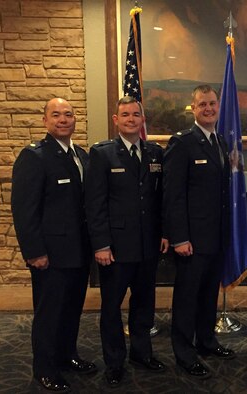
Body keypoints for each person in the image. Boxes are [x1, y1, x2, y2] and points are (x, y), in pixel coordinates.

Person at [11, 98, 96, 392]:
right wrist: (34, 253)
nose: (63, 119)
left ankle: (67, 355)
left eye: (68, 114)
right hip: (50, 256)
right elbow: (24, 210)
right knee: (49, 313)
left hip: (79, 253)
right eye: (56, 115)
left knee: (72, 310)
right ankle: (44, 369)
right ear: (45, 120)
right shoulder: (34, 157)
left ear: (75, 120)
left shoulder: (82, 156)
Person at [85, 96, 168, 387]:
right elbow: (95, 203)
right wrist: (101, 244)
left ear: (143, 120)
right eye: (125, 114)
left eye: (136, 114)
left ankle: (141, 353)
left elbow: (160, 200)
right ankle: (115, 362)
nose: (131, 119)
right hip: (116, 249)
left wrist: (165, 233)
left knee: (144, 304)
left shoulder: (155, 153)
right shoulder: (102, 153)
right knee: (111, 308)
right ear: (115, 120)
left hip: (147, 245)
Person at [163, 85, 234, 379]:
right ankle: (184, 352)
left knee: (207, 296)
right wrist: (179, 237)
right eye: (202, 104)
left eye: (212, 103)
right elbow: (173, 194)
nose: (208, 108)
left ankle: (206, 341)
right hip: (191, 239)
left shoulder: (219, 141)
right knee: (187, 298)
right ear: (193, 108)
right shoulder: (182, 143)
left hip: (215, 237)